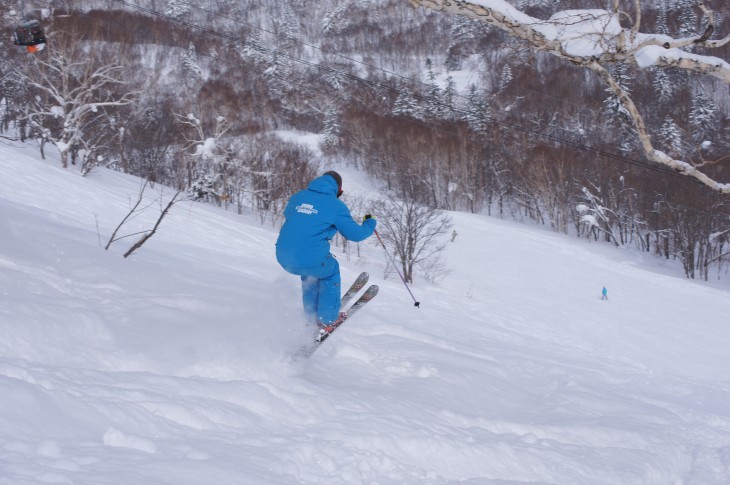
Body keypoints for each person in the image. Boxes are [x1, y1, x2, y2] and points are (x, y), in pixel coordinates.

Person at [275, 171, 376, 333]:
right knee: (330, 272)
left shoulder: (298, 197)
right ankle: (327, 320)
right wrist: (370, 223)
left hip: (283, 255)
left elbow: (292, 215)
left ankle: (310, 318)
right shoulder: (336, 206)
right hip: (310, 257)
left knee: (310, 274)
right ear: (338, 189)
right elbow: (355, 235)